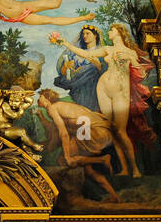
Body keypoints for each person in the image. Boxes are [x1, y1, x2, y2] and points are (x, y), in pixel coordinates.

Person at [50, 23, 153, 178]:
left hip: (120, 92)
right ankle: (124, 169)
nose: (109, 32)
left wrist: (131, 59)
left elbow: (142, 72)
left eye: (112, 30)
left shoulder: (130, 52)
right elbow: (85, 54)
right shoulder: (108, 49)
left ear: (119, 32)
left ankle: (135, 169)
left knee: (120, 130)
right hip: (103, 88)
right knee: (111, 128)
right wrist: (64, 43)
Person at [36, 88, 120, 203]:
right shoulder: (61, 106)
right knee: (88, 170)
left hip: (93, 133)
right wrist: (41, 116)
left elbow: (63, 133)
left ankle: (102, 160)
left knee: (63, 160)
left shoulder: (53, 108)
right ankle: (114, 195)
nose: (38, 98)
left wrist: (67, 156)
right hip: (98, 132)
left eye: (40, 96)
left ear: (47, 98)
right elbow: (54, 129)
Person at [54, 23, 105, 111]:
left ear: (95, 35)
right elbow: (64, 73)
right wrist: (66, 67)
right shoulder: (76, 53)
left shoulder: (101, 51)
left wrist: (98, 66)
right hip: (77, 88)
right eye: (83, 34)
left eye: (88, 33)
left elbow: (105, 72)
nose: (85, 36)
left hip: (92, 88)